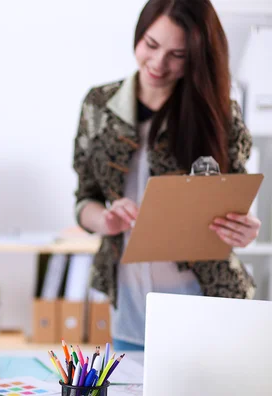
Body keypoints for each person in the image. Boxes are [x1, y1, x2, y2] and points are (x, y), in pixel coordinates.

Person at [72, 0, 261, 352]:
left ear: (198, 57)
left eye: (178, 55)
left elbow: (234, 194)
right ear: (139, 34)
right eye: (152, 45)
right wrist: (106, 220)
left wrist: (244, 226)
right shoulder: (98, 105)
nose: (159, 64)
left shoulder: (218, 113)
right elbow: (85, 199)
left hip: (206, 304)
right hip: (130, 306)